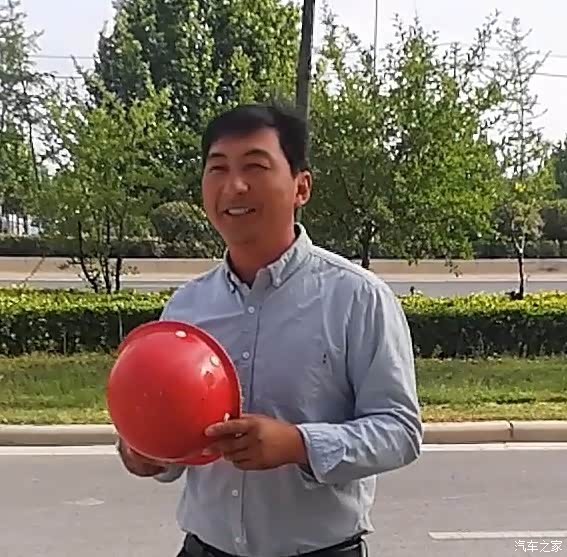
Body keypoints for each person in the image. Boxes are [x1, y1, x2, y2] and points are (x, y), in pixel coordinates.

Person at [116, 102, 423, 557]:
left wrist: (299, 444)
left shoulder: (357, 297)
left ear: (301, 187)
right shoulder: (186, 307)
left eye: (255, 167)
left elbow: (399, 431)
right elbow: (174, 450)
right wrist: (144, 451)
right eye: (218, 168)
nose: (234, 186)